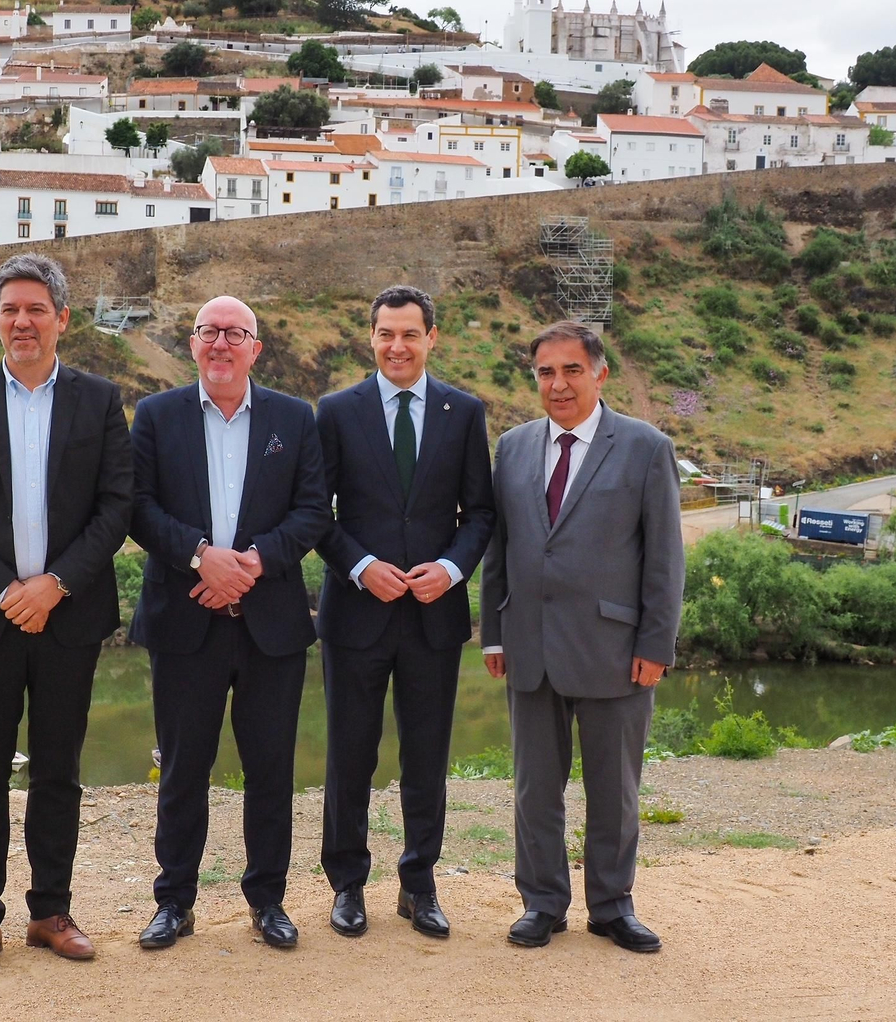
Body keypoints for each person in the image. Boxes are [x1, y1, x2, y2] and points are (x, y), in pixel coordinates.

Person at [0, 254, 133, 974]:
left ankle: (51, 910)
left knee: (57, 771)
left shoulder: (99, 400)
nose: (23, 321)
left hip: (68, 616)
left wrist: (55, 585)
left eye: (36, 309)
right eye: (11, 309)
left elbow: (116, 508)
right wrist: (7, 591)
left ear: (62, 320)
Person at [128, 295, 330, 952]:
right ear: (192, 344)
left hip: (270, 622)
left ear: (255, 348)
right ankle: (174, 901)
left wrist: (249, 565)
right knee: (184, 767)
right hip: (185, 618)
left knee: (271, 768)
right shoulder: (156, 417)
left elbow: (312, 513)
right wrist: (200, 559)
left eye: (234, 333)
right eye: (208, 332)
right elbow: (137, 508)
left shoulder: (294, 419)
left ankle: (267, 899)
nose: (220, 343)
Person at [480, 320, 683, 954]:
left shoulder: (646, 447)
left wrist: (656, 645)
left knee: (613, 790)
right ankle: (541, 903)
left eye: (571, 370)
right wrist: (493, 633)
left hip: (615, 651)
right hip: (530, 646)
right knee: (534, 787)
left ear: (599, 373)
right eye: (546, 372)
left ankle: (612, 907)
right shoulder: (512, 446)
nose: (558, 384)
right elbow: (501, 547)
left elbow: (664, 558)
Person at [313, 285, 494, 940]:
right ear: (372, 338)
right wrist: (361, 567)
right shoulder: (336, 411)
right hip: (355, 616)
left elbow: (481, 514)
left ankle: (419, 884)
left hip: (433, 617)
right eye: (387, 333)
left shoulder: (464, 412)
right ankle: (348, 885)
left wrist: (449, 571)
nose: (398, 346)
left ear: (431, 338)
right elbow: (315, 513)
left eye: (410, 334)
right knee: (348, 757)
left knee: (426, 757)